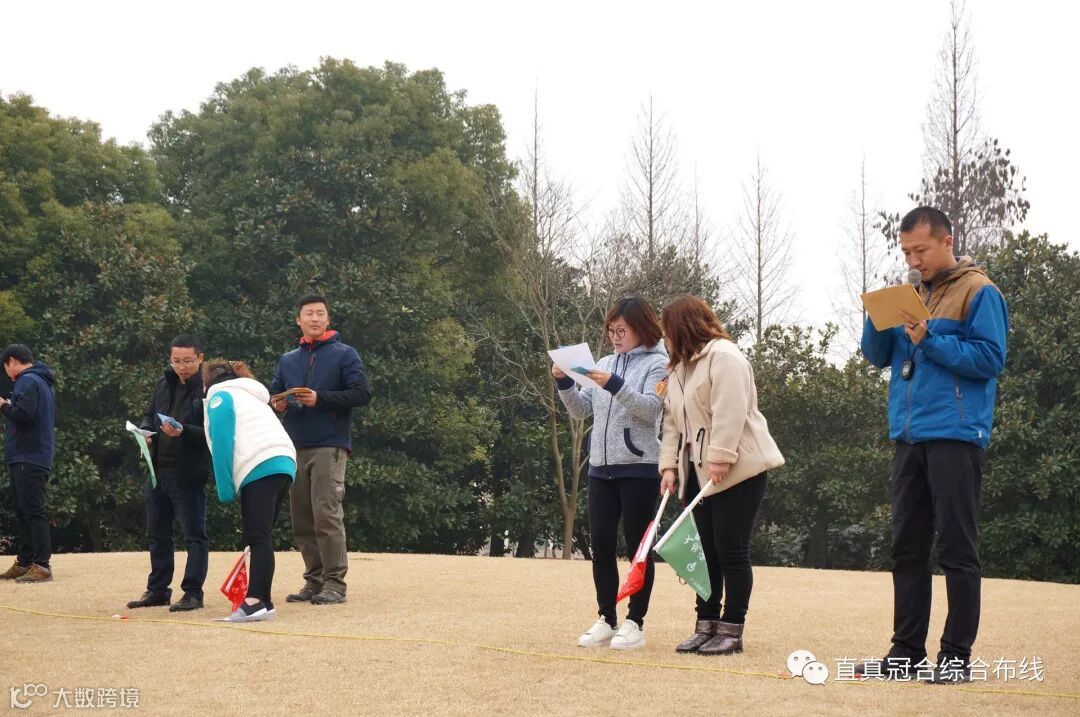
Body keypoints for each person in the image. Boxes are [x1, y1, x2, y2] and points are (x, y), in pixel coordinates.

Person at [857, 207, 1008, 685]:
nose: (913, 260)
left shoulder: (979, 291)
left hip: (956, 434)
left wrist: (929, 339)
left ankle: (955, 657)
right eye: (906, 252)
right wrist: (875, 317)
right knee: (906, 546)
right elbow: (878, 357)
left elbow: (990, 359)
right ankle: (905, 653)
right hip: (908, 435)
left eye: (920, 250)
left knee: (957, 547)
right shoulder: (911, 294)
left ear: (947, 242)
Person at [657, 296, 784, 655]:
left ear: (683, 327)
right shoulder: (679, 369)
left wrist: (721, 457)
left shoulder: (724, 356)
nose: (665, 338)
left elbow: (731, 411)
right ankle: (706, 624)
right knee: (705, 552)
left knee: (731, 549)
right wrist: (669, 466)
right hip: (698, 471)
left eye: (668, 330)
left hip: (738, 470)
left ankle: (732, 629)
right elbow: (672, 422)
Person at [554, 297, 669, 650]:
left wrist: (614, 384)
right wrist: (564, 383)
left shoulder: (659, 364)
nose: (615, 337)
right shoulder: (603, 363)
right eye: (611, 331)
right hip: (600, 469)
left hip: (639, 469)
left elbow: (650, 409)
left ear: (641, 329)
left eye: (622, 331)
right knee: (601, 545)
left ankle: (635, 622)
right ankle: (606, 618)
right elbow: (581, 411)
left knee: (638, 549)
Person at [270, 294, 371, 605]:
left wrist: (320, 398)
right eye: (309, 314)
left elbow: (362, 393)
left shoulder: (345, 354)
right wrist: (278, 402)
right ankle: (313, 581)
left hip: (330, 444)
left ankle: (334, 584)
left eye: (320, 313)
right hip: (294, 446)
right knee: (301, 518)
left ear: (328, 319)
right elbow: (274, 393)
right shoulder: (288, 359)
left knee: (326, 515)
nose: (314, 318)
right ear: (298, 320)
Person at [203, 360, 296, 622]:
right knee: (260, 535)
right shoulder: (252, 395)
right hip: (285, 462)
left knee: (258, 536)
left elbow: (222, 443)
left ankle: (254, 601)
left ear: (207, 382)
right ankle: (263, 601)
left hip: (259, 464)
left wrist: (225, 489)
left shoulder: (220, 397)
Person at [126, 335, 210, 612]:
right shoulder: (163, 384)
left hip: (188, 472)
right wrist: (145, 432)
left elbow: (213, 433)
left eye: (187, 361)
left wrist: (184, 431)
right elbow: (149, 414)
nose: (182, 367)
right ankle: (158, 590)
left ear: (200, 358)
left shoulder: (209, 389)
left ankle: (193, 593)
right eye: (176, 361)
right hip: (158, 470)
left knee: (193, 535)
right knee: (158, 534)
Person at [0, 344, 57, 584]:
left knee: (33, 511)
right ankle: (25, 561)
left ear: (12, 361)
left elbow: (24, 414)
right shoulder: (40, 381)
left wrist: (3, 405)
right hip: (30, 454)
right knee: (23, 511)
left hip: (29, 455)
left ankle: (42, 565)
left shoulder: (27, 380)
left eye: (5, 367)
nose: (7, 373)